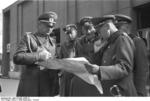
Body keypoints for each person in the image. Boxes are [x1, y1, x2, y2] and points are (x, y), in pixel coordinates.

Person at [84, 15, 137, 96]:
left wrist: (99, 70)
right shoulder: (109, 42)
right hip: (111, 91)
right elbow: (96, 60)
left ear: (107, 27)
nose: (99, 35)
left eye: (99, 31)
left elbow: (124, 67)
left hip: (122, 92)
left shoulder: (122, 39)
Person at [13, 11, 59, 96]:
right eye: (47, 26)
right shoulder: (28, 38)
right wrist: (38, 55)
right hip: (32, 85)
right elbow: (17, 57)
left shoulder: (52, 42)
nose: (50, 29)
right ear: (39, 24)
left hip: (48, 86)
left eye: (52, 26)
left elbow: (55, 60)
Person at [115, 14, 149, 96]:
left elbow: (142, 70)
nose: (116, 31)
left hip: (132, 91)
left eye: (118, 28)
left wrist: (139, 93)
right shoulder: (116, 42)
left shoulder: (136, 42)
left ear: (127, 28)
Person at [69, 16, 100, 96]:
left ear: (95, 27)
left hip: (97, 78)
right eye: (85, 29)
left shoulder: (102, 39)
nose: (88, 32)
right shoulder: (78, 42)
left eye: (90, 28)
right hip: (82, 78)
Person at [59, 24, 78, 96]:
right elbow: (60, 59)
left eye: (71, 33)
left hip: (76, 75)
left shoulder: (79, 43)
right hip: (65, 75)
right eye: (67, 33)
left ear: (76, 33)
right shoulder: (63, 45)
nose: (69, 35)